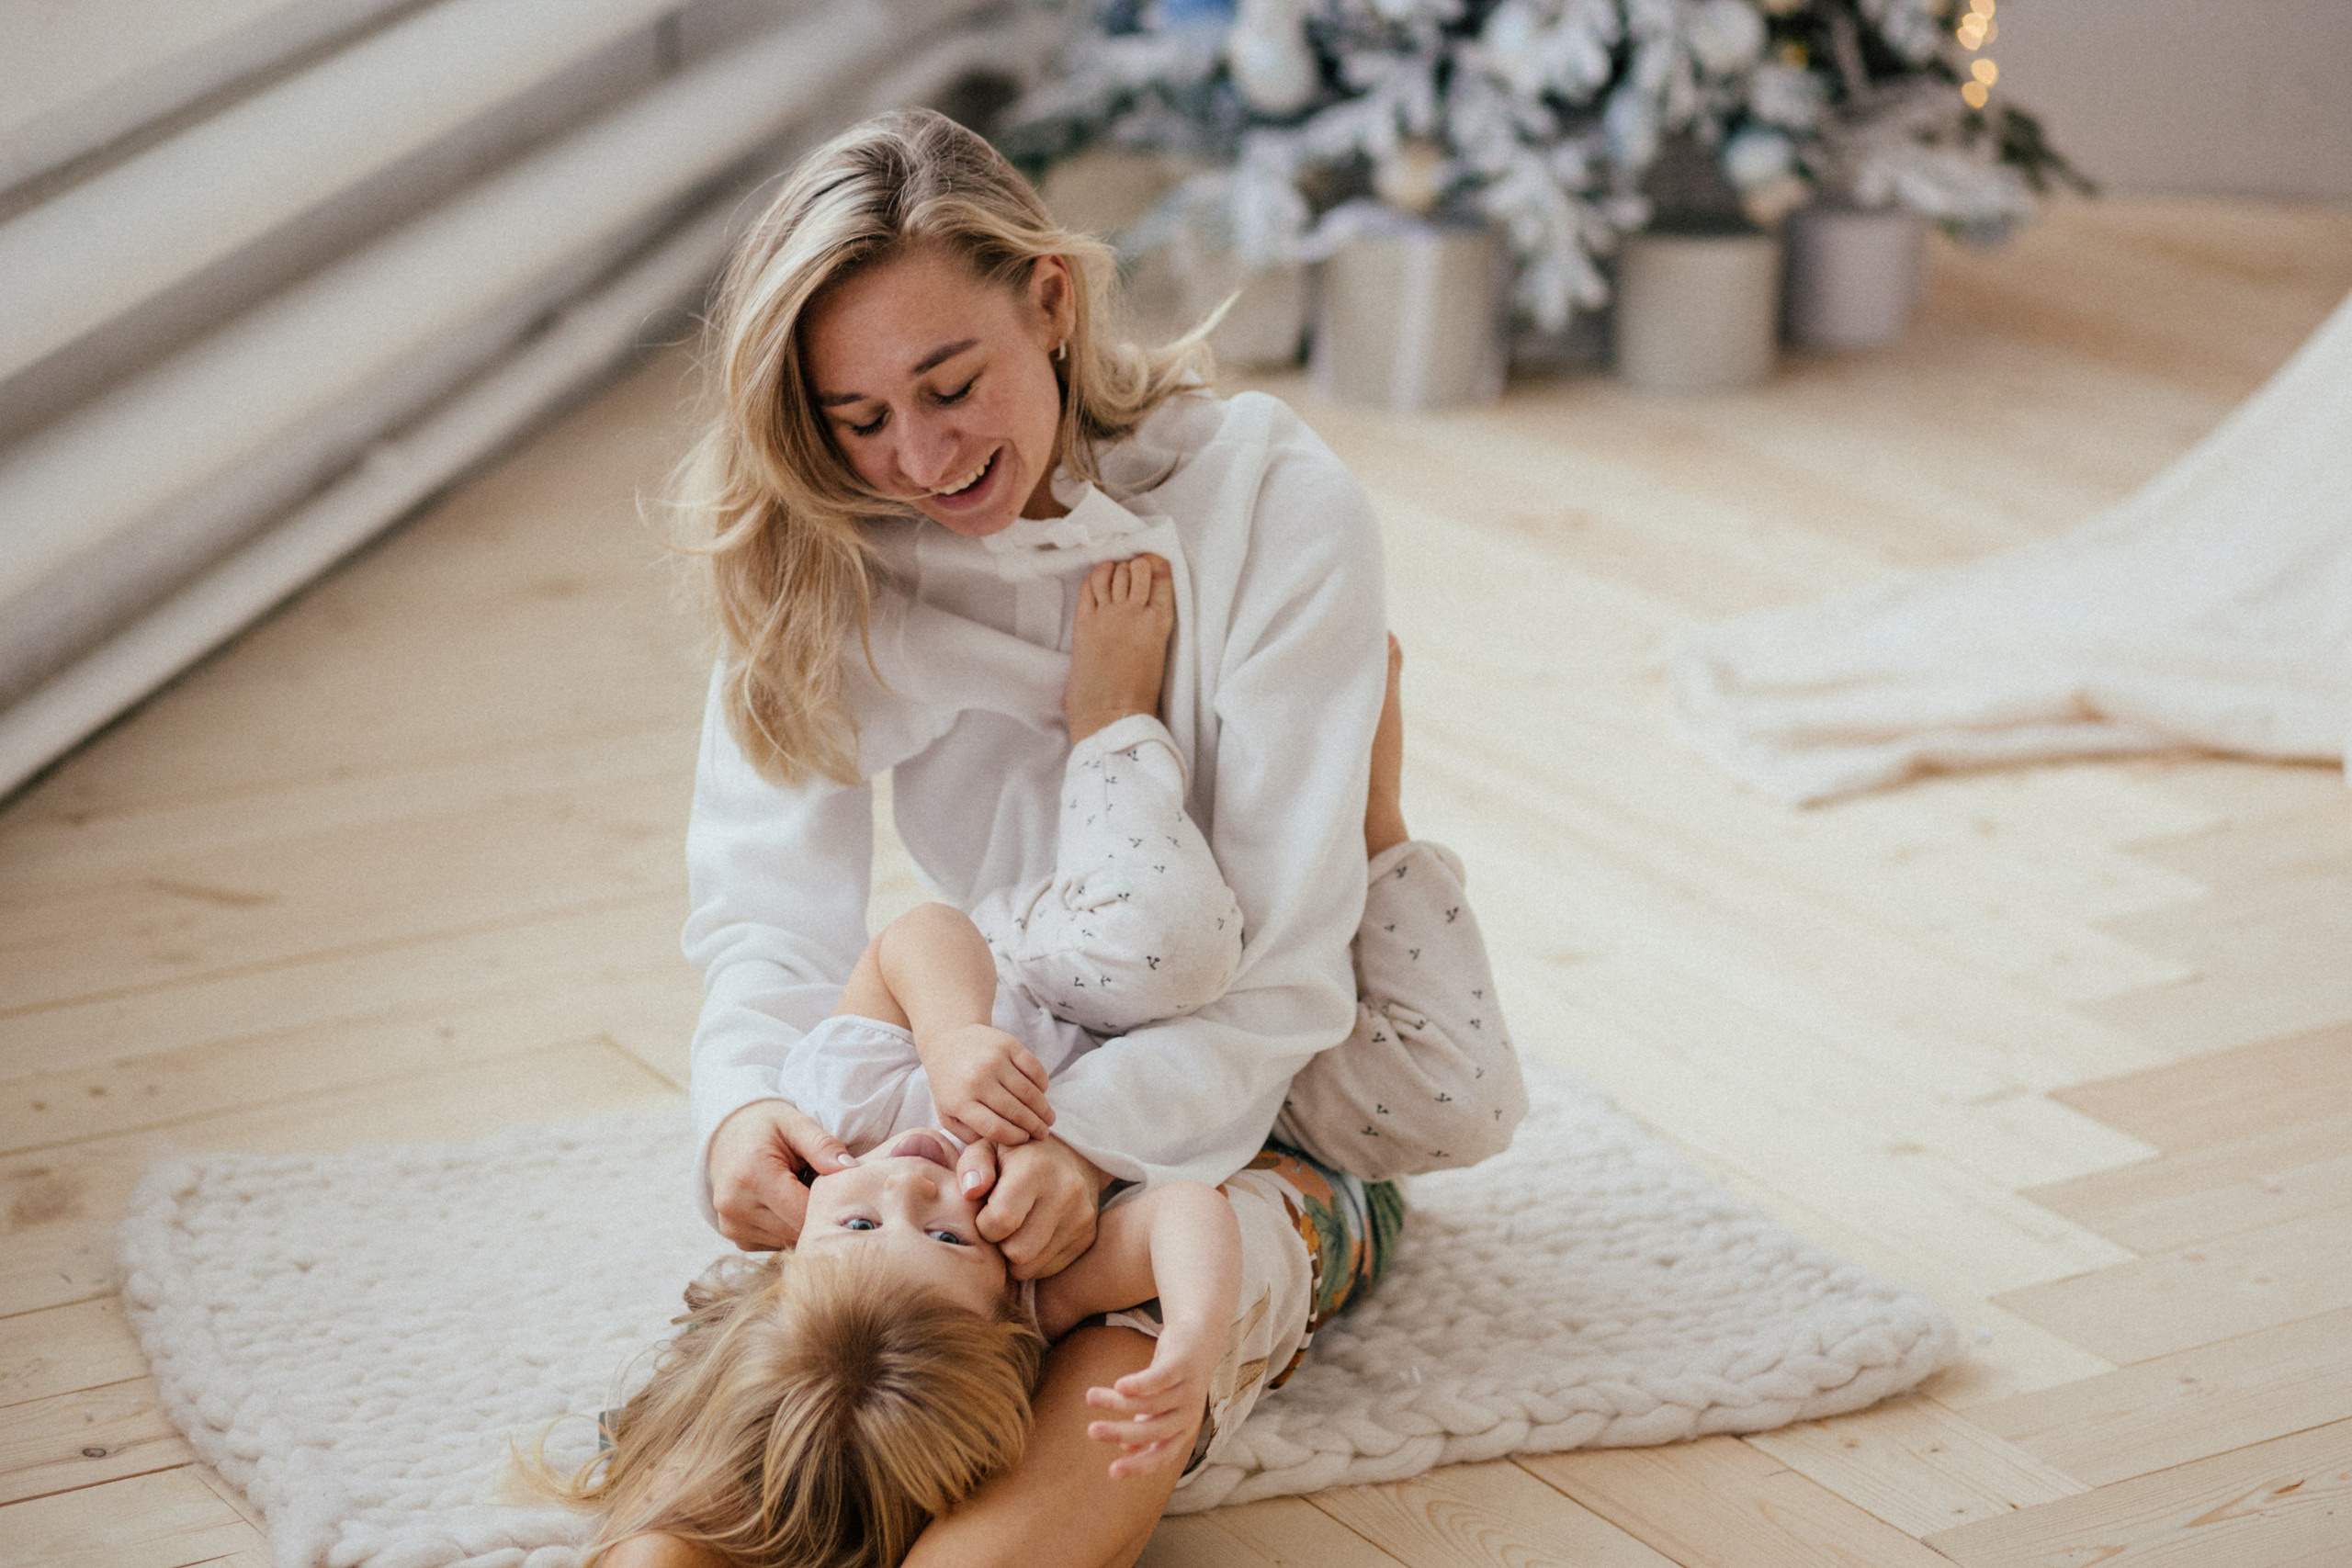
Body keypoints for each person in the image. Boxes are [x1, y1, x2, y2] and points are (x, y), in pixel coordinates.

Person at [673, 107, 1522, 1565]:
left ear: (1051, 301)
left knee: (1117, 1354)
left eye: (951, 386)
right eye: (858, 419)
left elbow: (1279, 973)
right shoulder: (824, 548)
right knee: (807, 1388)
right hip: (994, 1073)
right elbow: (770, 907)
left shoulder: (1269, 505)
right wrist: (744, 1109)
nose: (921, 457)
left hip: (1236, 1088)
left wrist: (1089, 1144)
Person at [582, 635, 1504, 1567]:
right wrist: (1190, 1331)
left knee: (1163, 947)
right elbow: (1186, 1211)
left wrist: (952, 1037)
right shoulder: (1036, 1276)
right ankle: (1375, 837)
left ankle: (1117, 731)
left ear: (791, 1252)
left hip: (1076, 983)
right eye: (945, 1238)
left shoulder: (845, 1113)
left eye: (856, 1225)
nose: (909, 1188)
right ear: (1011, 1316)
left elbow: (918, 935)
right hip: (1246, 1096)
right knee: (1458, 1102)